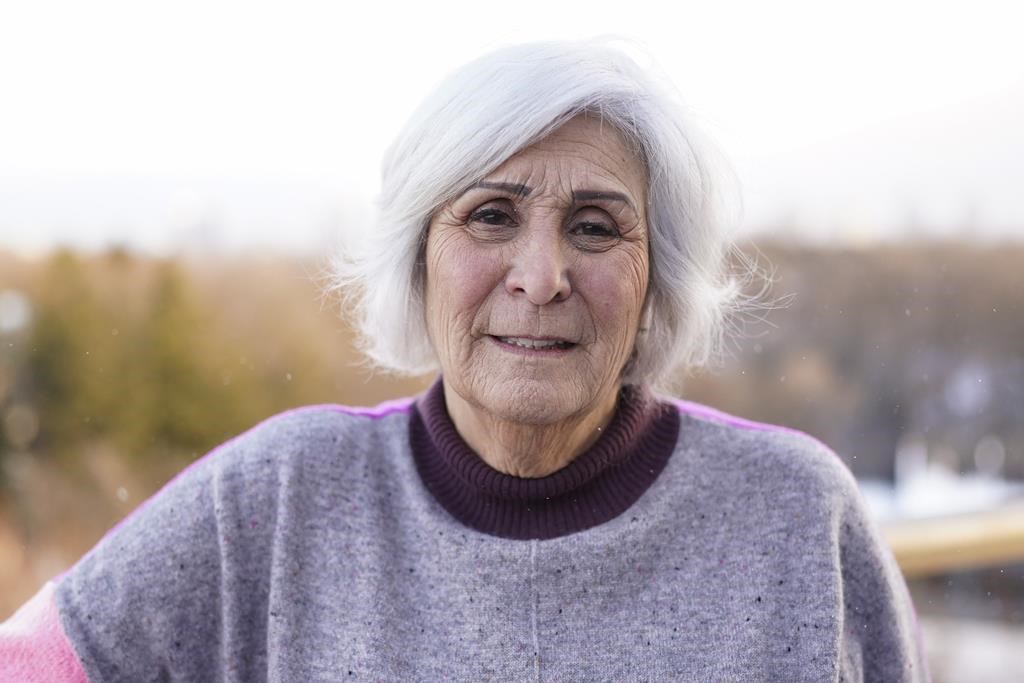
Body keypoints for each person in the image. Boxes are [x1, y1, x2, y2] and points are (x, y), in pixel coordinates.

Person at [1, 39, 927, 681]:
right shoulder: (278, 498)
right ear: (419, 255)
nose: (542, 275)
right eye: (490, 215)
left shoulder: (796, 517)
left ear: (657, 279)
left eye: (596, 227)